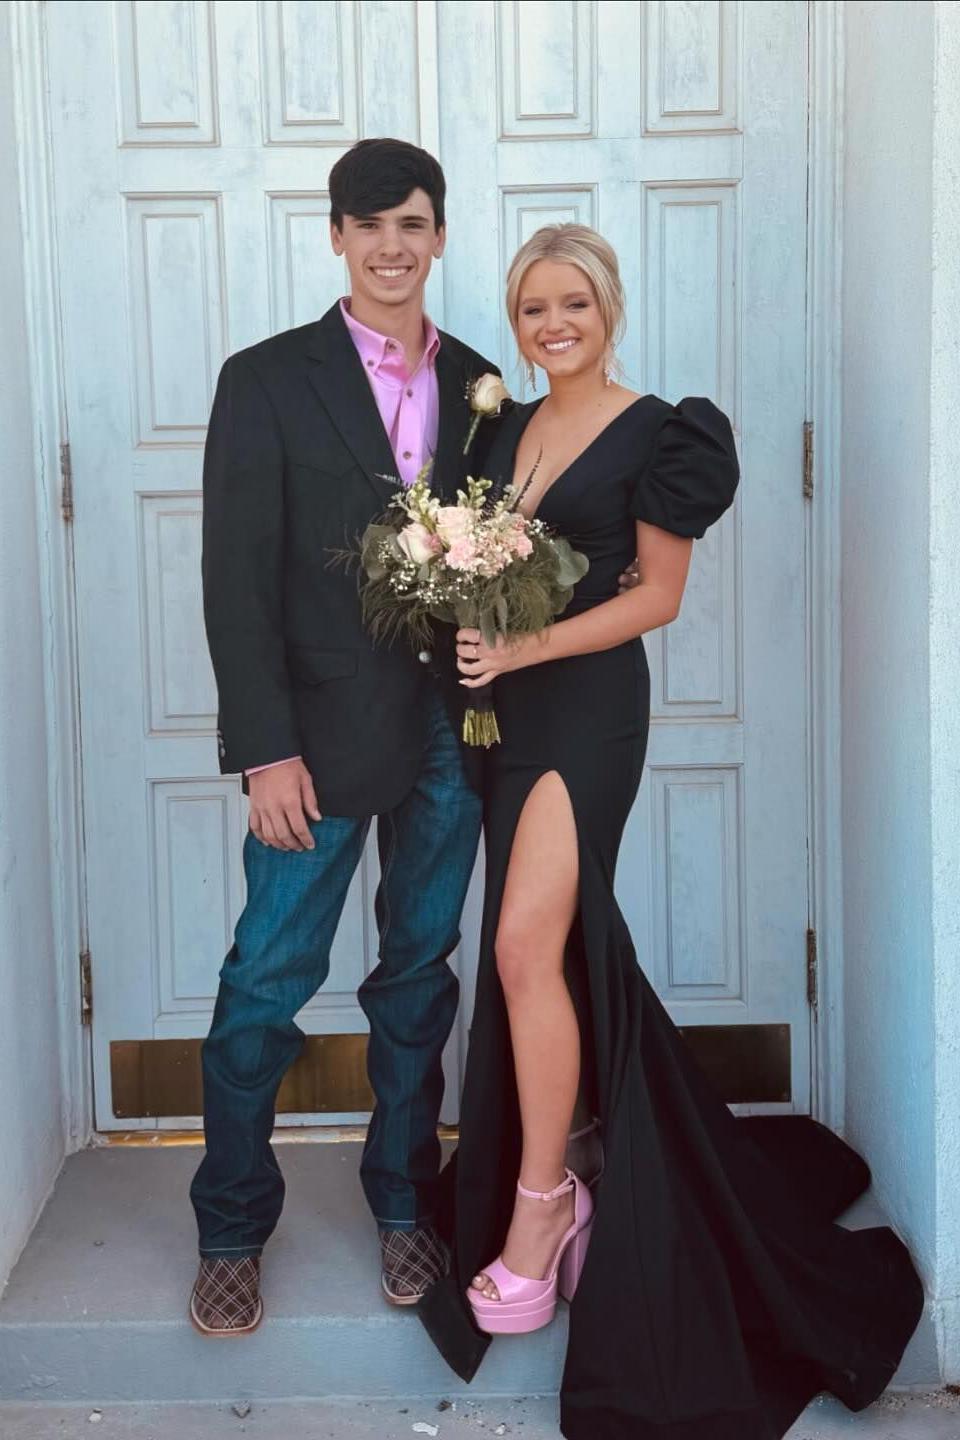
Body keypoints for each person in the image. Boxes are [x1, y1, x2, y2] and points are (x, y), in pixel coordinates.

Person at [418, 224, 925, 1440]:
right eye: (533, 307)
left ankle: (543, 1208)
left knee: (521, 949)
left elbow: (658, 595)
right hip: (505, 713)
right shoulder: (501, 429)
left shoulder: (661, 433)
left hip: (587, 714)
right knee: (551, 950)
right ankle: (591, 1158)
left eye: (574, 303)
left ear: (610, 310)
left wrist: (525, 646)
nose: (553, 324)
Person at [188, 137, 504, 1334]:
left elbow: (512, 542)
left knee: (418, 979)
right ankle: (230, 1224)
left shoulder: (483, 384)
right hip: (312, 745)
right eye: (368, 225)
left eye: (411, 223)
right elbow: (236, 579)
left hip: (452, 734)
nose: (390, 246)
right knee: (266, 983)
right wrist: (264, 751)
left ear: (439, 235)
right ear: (335, 237)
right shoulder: (266, 379)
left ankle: (404, 1203)